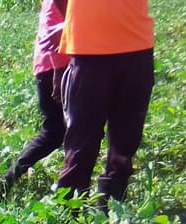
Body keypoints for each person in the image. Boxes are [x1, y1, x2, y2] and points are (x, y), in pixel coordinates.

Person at [53, 0, 155, 203]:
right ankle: (69, 207)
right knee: (81, 138)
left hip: (137, 45)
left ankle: (111, 206)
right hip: (87, 48)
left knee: (125, 139)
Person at [0, 0, 69, 201]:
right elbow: (54, 27)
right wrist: (58, 72)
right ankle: (2, 186)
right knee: (58, 132)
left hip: (51, 65)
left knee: (60, 131)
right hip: (56, 66)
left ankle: (1, 187)